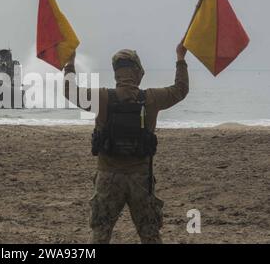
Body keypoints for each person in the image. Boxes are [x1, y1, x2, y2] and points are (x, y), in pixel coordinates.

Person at [63, 43, 189, 244]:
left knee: (100, 234)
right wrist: (180, 58)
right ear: (138, 72)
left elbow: (70, 92)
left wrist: (70, 63)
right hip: (141, 178)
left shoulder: (101, 97)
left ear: (116, 74)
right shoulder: (151, 98)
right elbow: (181, 89)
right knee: (150, 235)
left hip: (108, 177)